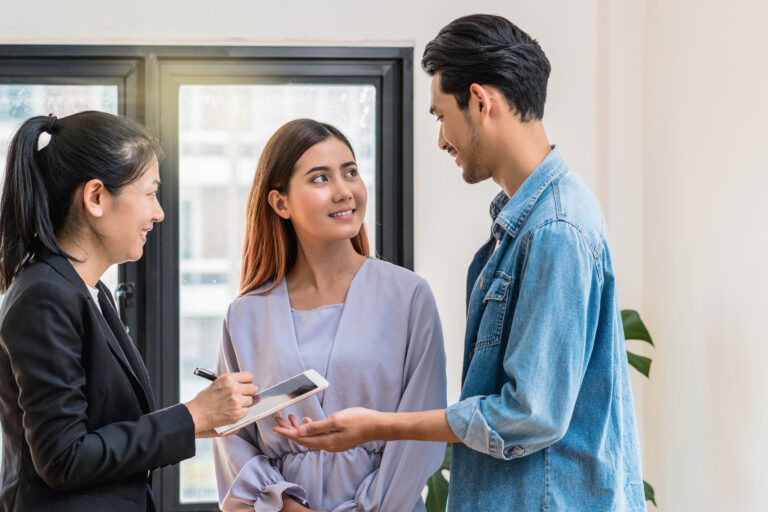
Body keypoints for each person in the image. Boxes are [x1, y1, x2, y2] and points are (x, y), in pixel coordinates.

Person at [273, 15, 646, 512]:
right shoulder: (523, 227)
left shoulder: (556, 229)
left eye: (440, 115)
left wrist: (379, 424)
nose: (442, 139)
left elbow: (530, 415)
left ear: (480, 101)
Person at [0, 111, 257, 512]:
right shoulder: (46, 297)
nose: (159, 213)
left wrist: (199, 420)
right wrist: (190, 416)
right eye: (150, 193)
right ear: (96, 197)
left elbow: (100, 430)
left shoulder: (91, 292)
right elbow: (63, 458)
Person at [212, 118, 446, 512]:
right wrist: (286, 505)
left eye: (350, 172)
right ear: (280, 202)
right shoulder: (245, 315)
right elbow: (231, 440)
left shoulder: (408, 297)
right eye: (320, 178)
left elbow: (418, 435)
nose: (344, 191)